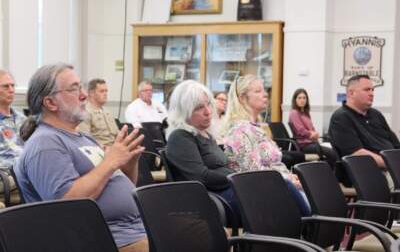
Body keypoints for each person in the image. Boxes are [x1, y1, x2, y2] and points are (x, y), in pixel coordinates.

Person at [14, 63, 148, 252]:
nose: (84, 95)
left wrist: (129, 163)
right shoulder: (45, 143)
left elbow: (122, 184)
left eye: (81, 87)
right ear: (50, 103)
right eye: (74, 89)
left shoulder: (85, 138)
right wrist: (110, 162)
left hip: (137, 231)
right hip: (107, 241)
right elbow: (68, 205)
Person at [221, 74, 310, 215]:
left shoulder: (256, 128)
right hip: (259, 191)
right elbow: (253, 172)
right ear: (242, 98)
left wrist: (290, 176)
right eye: (258, 91)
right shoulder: (239, 131)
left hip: (276, 184)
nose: (265, 94)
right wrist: (287, 179)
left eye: (264, 90)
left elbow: (274, 164)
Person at [165, 80, 236, 211]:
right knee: (272, 195)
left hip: (226, 191)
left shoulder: (206, 133)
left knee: (280, 188)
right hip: (212, 200)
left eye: (208, 104)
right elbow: (201, 177)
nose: (208, 111)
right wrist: (236, 178)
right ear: (183, 112)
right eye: (198, 107)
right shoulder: (180, 136)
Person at [329, 74, 400, 185]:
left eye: (372, 90)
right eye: (367, 90)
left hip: (390, 168)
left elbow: (395, 144)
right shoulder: (341, 118)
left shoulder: (376, 114)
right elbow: (357, 153)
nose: (371, 93)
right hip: (364, 173)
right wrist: (392, 163)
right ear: (351, 93)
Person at [289, 88, 337, 168]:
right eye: (299, 98)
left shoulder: (305, 113)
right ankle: (331, 175)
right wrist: (311, 134)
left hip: (311, 143)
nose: (302, 100)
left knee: (333, 151)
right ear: (295, 100)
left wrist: (314, 134)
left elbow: (312, 129)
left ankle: (328, 174)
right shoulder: (294, 113)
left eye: (304, 98)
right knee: (331, 153)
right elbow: (300, 130)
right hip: (303, 144)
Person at [79, 79, 119, 146]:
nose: (105, 94)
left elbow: (117, 133)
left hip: (115, 148)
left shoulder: (107, 112)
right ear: (91, 93)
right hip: (100, 151)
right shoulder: (85, 112)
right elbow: (84, 139)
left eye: (106, 91)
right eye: (102, 91)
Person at [0, 70, 25, 167]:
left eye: (13, 86)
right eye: (6, 86)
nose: (11, 90)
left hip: (31, 172)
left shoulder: (23, 120)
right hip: (7, 176)